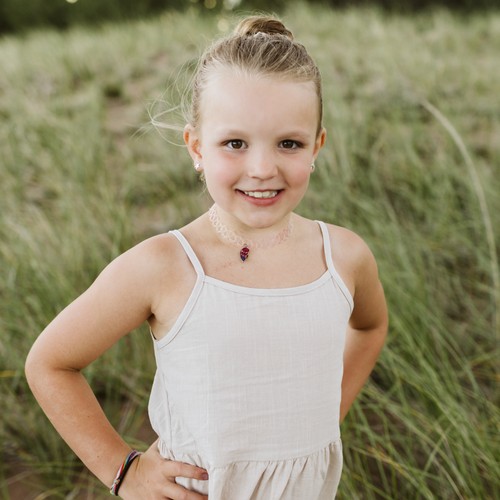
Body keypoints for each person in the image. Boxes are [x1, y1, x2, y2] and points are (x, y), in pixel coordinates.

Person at [25, 15, 388, 500]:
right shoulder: (165, 265)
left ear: (316, 146)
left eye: (289, 143)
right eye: (235, 143)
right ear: (196, 146)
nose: (262, 168)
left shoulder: (343, 256)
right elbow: (50, 363)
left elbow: (370, 327)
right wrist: (124, 471)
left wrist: (327, 415)